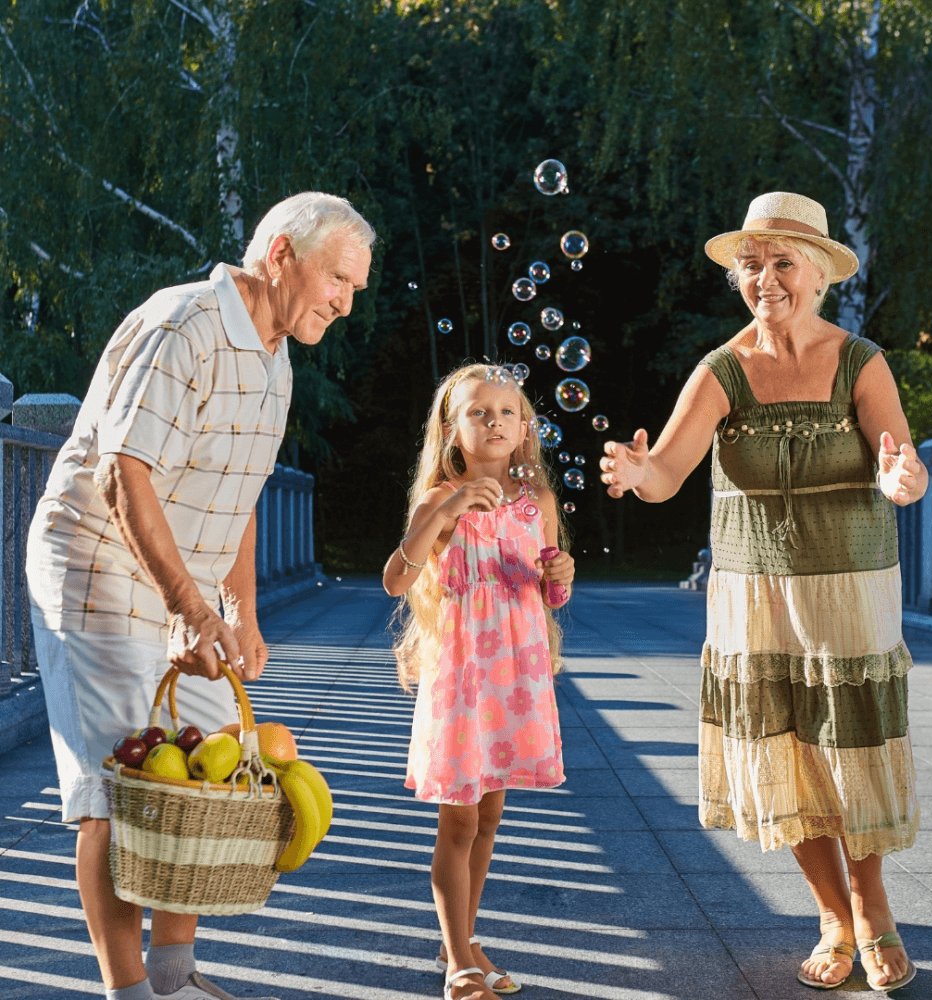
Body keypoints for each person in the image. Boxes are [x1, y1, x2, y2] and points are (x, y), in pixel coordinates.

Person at [26, 192, 374, 1000]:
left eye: (355, 289)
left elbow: (241, 495)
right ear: (281, 255)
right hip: (99, 567)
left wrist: (240, 611)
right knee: (116, 793)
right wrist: (191, 608)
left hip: (184, 586)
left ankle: (173, 978)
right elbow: (123, 472)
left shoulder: (277, 358)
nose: (345, 305)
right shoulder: (184, 325)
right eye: (337, 280)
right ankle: (129, 992)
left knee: (209, 773)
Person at [600, 192, 924, 993]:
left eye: (783, 262)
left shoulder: (860, 361)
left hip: (849, 593)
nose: (767, 279)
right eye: (752, 264)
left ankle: (873, 908)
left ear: (817, 274)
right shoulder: (723, 369)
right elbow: (667, 472)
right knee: (787, 752)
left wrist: (902, 478)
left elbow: (902, 466)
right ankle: (832, 917)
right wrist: (638, 472)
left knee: (851, 748)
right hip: (756, 597)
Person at [383, 363, 575, 1000]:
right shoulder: (440, 500)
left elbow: (547, 592)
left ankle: (459, 939)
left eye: (506, 411)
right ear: (451, 430)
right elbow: (395, 580)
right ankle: (460, 965)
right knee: (458, 824)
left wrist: (561, 576)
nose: (494, 421)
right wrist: (450, 508)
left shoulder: (538, 502)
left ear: (525, 429)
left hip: (514, 679)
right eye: (478, 411)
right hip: (464, 680)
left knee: (489, 817)